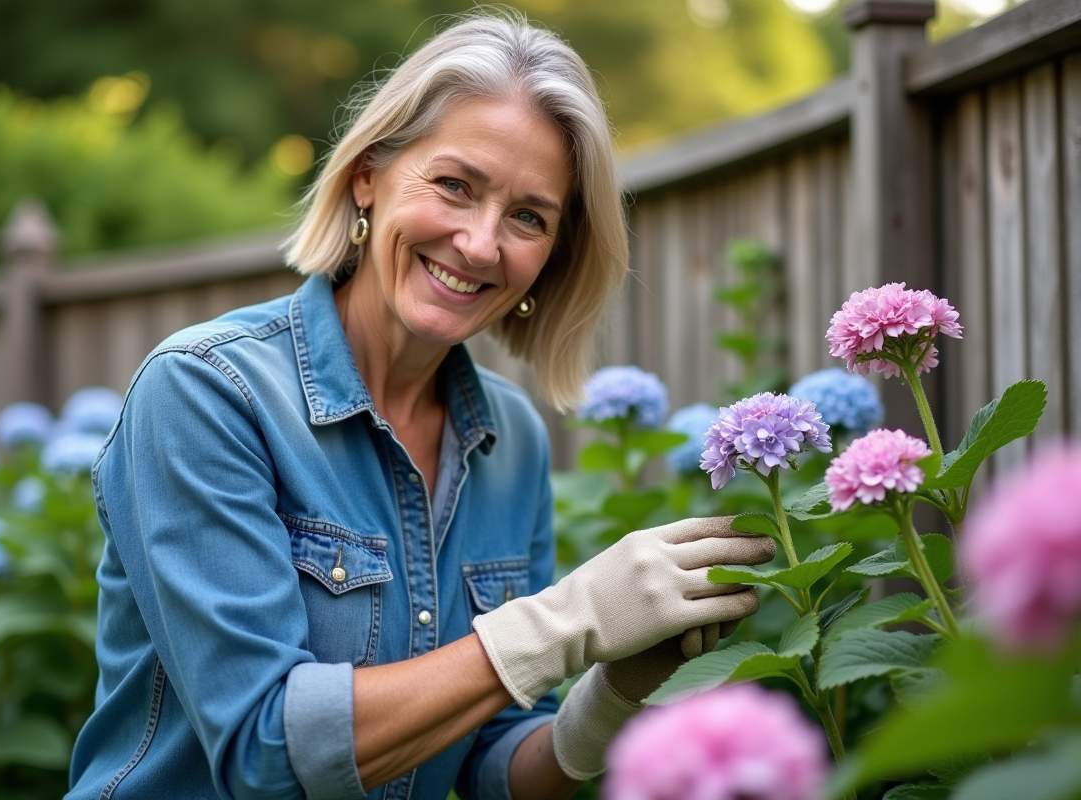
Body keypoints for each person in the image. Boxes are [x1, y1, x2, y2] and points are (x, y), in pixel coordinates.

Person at [65, 11, 775, 800]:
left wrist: (612, 698)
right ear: (368, 173)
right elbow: (264, 747)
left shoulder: (512, 440)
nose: (479, 243)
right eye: (454, 185)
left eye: (527, 217)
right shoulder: (206, 392)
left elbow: (490, 765)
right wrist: (564, 622)